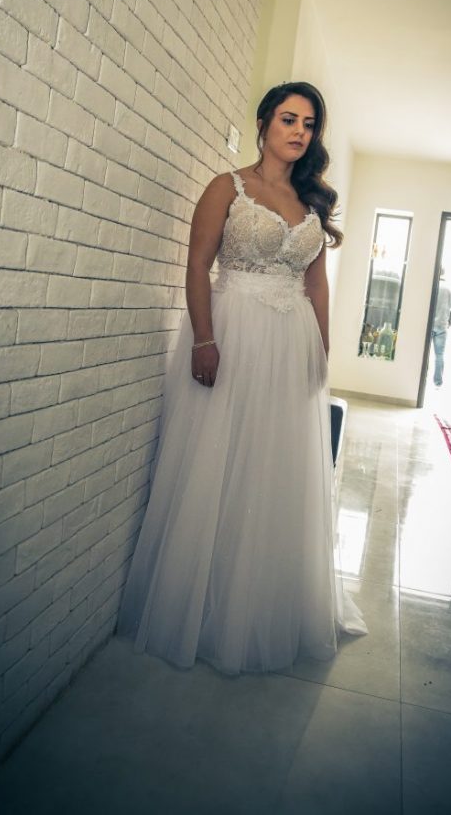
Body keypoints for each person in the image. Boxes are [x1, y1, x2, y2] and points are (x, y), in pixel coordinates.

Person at [117, 82, 367, 674]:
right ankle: (202, 601)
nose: (300, 131)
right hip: (233, 332)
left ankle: (257, 600)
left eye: (309, 123)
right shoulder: (226, 188)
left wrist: (321, 350)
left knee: (271, 464)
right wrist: (204, 339)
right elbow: (197, 265)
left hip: (291, 341)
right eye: (289, 119)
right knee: (219, 458)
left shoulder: (311, 201)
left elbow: (316, 284)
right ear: (263, 123)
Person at [431, 267, 451, 386]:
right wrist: (449, 321)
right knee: (439, 355)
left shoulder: (432, 285)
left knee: (422, 353)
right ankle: (437, 382)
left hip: (428, 325)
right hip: (442, 326)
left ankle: (420, 379)